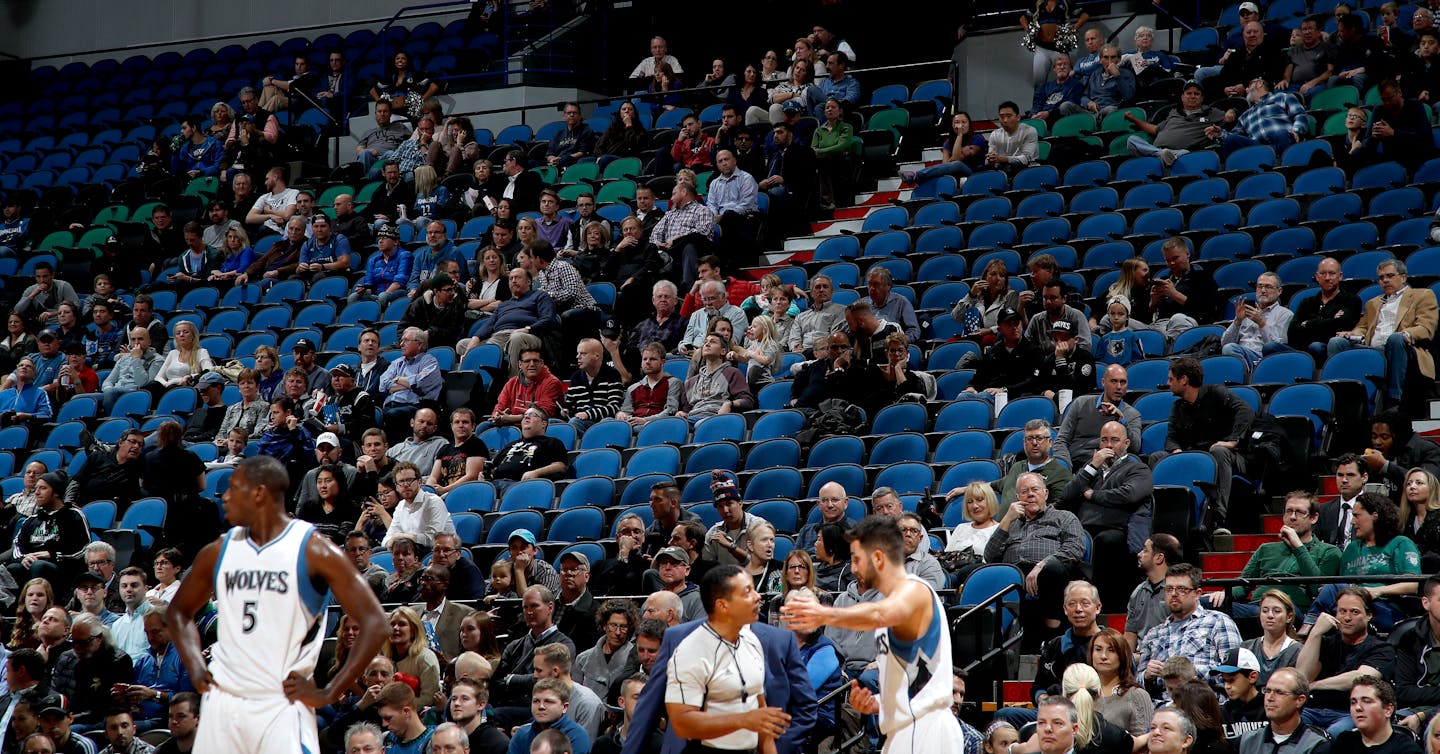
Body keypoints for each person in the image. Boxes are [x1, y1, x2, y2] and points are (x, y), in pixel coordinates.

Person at [164, 456, 388, 752]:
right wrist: (194, 665)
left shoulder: (312, 548)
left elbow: (375, 621)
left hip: (280, 700)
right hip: (223, 700)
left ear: (259, 493)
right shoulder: (218, 551)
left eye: (234, 488)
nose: (224, 497)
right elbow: (177, 612)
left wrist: (330, 691)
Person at [782, 516, 964, 753]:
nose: (853, 568)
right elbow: (909, 683)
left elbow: (882, 612)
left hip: (927, 729)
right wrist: (878, 704)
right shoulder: (890, 613)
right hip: (902, 729)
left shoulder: (916, 589)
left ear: (877, 557)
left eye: (857, 559)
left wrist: (824, 615)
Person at [1058, 420, 1154, 607]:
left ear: (1126, 444)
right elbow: (1067, 496)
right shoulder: (1090, 469)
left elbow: (1128, 494)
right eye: (1104, 440)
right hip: (1082, 530)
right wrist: (1092, 466)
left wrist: (1092, 494)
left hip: (1116, 529)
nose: (1108, 445)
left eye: (1114, 440)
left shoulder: (1137, 469)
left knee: (1106, 541)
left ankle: (1103, 605)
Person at [1151, 357, 1254, 532]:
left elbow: (1246, 411)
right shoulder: (1178, 407)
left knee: (1219, 451)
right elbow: (1171, 436)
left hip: (1230, 457)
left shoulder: (1216, 393)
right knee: (1157, 457)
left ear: (1184, 380)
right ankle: (1160, 515)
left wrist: (1233, 440)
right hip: (1196, 456)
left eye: (1171, 379)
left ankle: (1219, 517)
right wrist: (1176, 451)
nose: (1167, 383)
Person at [984, 472, 1088, 634]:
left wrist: (1042, 564)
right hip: (1014, 577)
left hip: (1049, 572)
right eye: (1024, 492)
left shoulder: (1064, 517)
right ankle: (991, 637)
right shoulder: (1010, 524)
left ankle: (1051, 636)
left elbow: (1075, 548)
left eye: (1035, 489)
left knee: (1052, 570)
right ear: (1017, 497)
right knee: (970, 572)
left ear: (1045, 494)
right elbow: (990, 557)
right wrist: (1006, 520)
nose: (1030, 494)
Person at [1210, 492, 1342, 617]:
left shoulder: (1329, 552)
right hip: (1259, 608)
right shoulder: (1266, 549)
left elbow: (1318, 590)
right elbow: (1243, 586)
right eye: (1289, 511)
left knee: (1276, 611)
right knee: (1205, 603)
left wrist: (1298, 547)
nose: (1292, 517)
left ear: (1314, 518)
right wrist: (1223, 594)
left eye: (1300, 512)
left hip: (1293, 610)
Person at [1136, 563, 1244, 695]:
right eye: (1169, 589)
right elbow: (1137, 685)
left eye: (1181, 589)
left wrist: (1190, 672)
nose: (1174, 594)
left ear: (1198, 593)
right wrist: (1147, 677)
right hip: (1162, 706)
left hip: (1203, 703)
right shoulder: (1154, 634)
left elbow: (1235, 674)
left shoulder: (1218, 622)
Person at [1236, 667, 1330, 754]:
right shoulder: (1246, 741)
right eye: (1268, 691)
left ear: (1299, 700)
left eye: (1279, 692)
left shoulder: (1316, 745)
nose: (1270, 698)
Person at [1329, 677, 1420, 754]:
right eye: (1353, 702)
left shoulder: (1407, 750)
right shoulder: (1345, 741)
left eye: (1366, 701)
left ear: (1388, 710)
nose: (1358, 707)